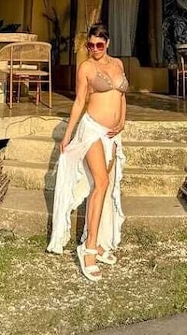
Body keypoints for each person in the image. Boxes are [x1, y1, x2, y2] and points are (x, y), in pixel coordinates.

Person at [46, 23, 128, 280]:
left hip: (112, 134)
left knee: (105, 185)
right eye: (90, 45)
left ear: (108, 43)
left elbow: (122, 96)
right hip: (92, 129)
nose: (94, 49)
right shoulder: (86, 68)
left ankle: (98, 240)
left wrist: (122, 121)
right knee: (101, 183)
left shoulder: (118, 64)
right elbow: (80, 101)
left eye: (99, 44)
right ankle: (88, 248)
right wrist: (67, 135)